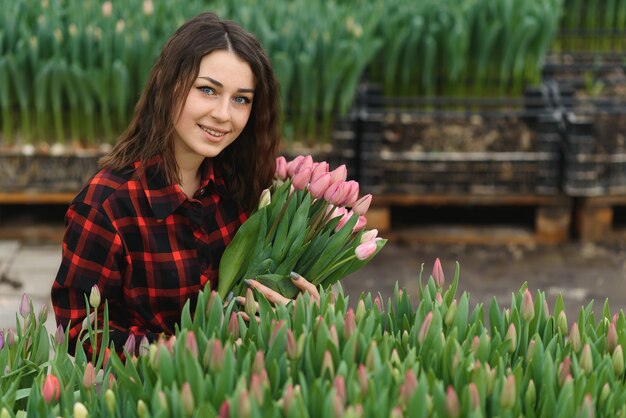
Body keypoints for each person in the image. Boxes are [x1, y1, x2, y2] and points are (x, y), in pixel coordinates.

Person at [51, 12, 318, 355]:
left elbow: (259, 304)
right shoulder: (108, 205)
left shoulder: (247, 191)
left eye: (241, 99)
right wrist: (179, 353)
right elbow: (76, 332)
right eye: (208, 90)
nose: (223, 114)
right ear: (169, 84)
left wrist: (298, 309)